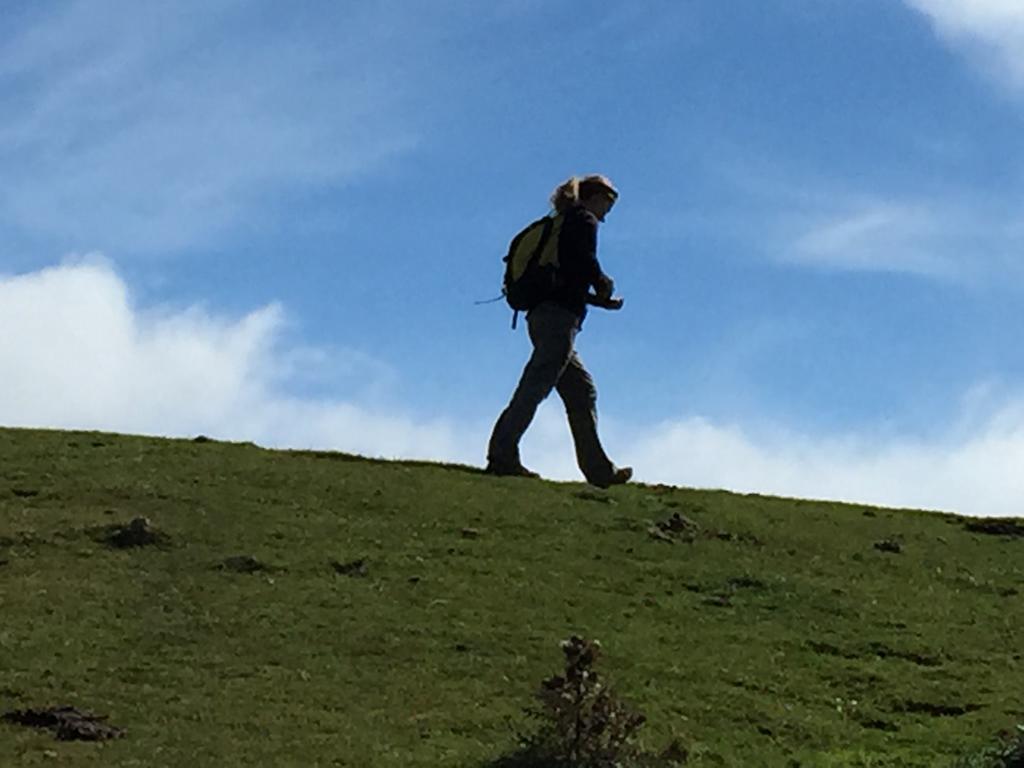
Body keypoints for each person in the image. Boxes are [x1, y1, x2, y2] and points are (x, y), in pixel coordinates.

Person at [486, 174, 633, 488]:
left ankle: (600, 472)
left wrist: (597, 300)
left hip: (544, 314)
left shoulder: (562, 221)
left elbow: (565, 275)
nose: (607, 214)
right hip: (558, 320)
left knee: (581, 390)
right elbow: (582, 262)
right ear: (597, 198)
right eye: (608, 203)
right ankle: (502, 455)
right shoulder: (583, 219)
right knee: (536, 385)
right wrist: (602, 282)